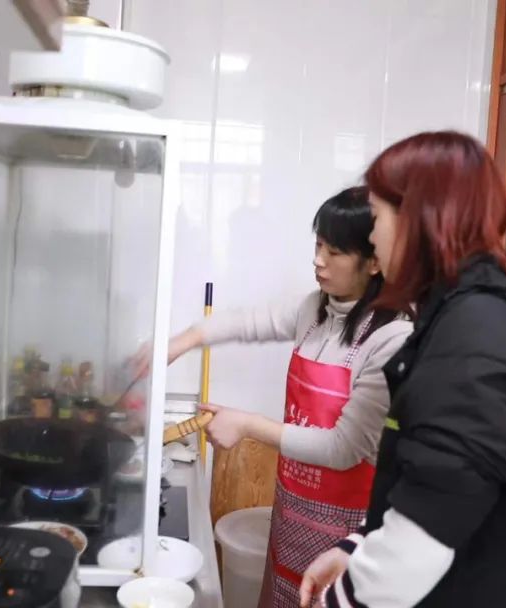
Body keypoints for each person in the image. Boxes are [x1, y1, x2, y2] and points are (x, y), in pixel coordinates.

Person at [300, 132, 506, 607]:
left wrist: (339, 601)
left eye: (376, 218)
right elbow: (443, 488)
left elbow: (419, 544)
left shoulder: (476, 340)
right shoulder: (474, 311)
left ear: (417, 219)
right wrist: (358, 547)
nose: (372, 238)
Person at [134, 187, 412, 607]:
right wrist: (180, 342)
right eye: (318, 245)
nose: (318, 260)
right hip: (292, 513)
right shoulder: (315, 308)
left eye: (334, 251)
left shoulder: (392, 337)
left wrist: (246, 424)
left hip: (347, 532)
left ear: (373, 261)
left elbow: (344, 448)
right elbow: (249, 322)